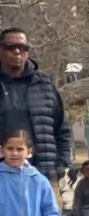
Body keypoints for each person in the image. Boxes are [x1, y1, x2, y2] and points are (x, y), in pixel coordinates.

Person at [0, 28, 71, 205]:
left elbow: (62, 129)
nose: (17, 52)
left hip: (43, 174)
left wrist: (60, 164)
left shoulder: (45, 85)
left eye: (22, 48)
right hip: (2, 177)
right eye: (11, 47)